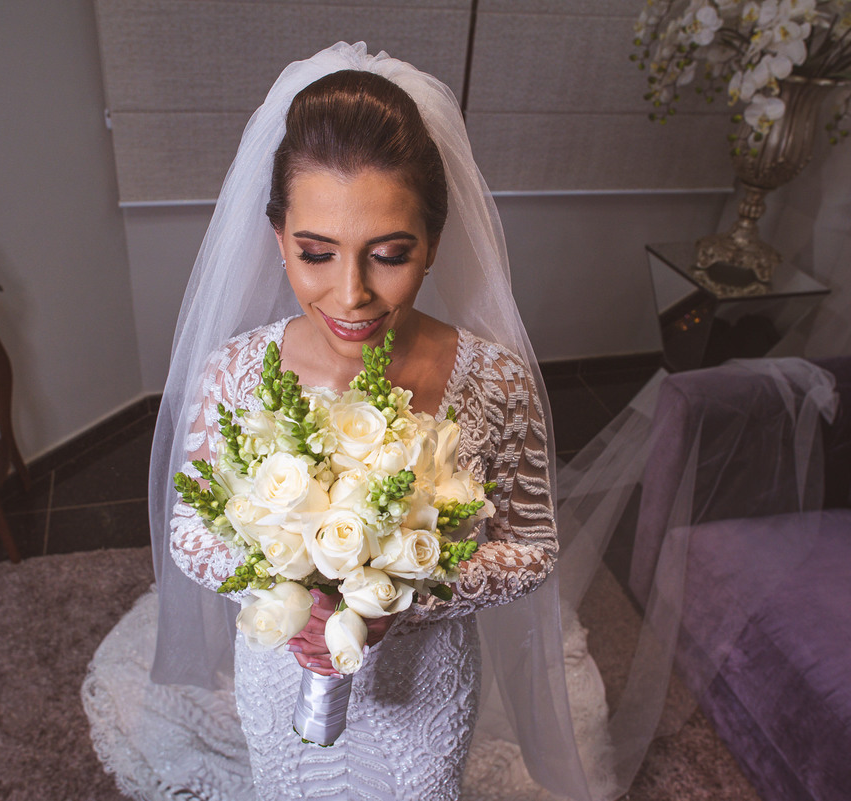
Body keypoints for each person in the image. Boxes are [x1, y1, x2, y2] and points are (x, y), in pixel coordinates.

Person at [83, 42, 602, 801]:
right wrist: (289, 589)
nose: (351, 293)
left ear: (432, 244)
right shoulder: (233, 370)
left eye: (388, 253)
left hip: (424, 683)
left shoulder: (495, 377)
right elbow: (191, 528)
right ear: (278, 241)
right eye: (316, 253)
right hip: (281, 666)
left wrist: (400, 591)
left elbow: (531, 545)